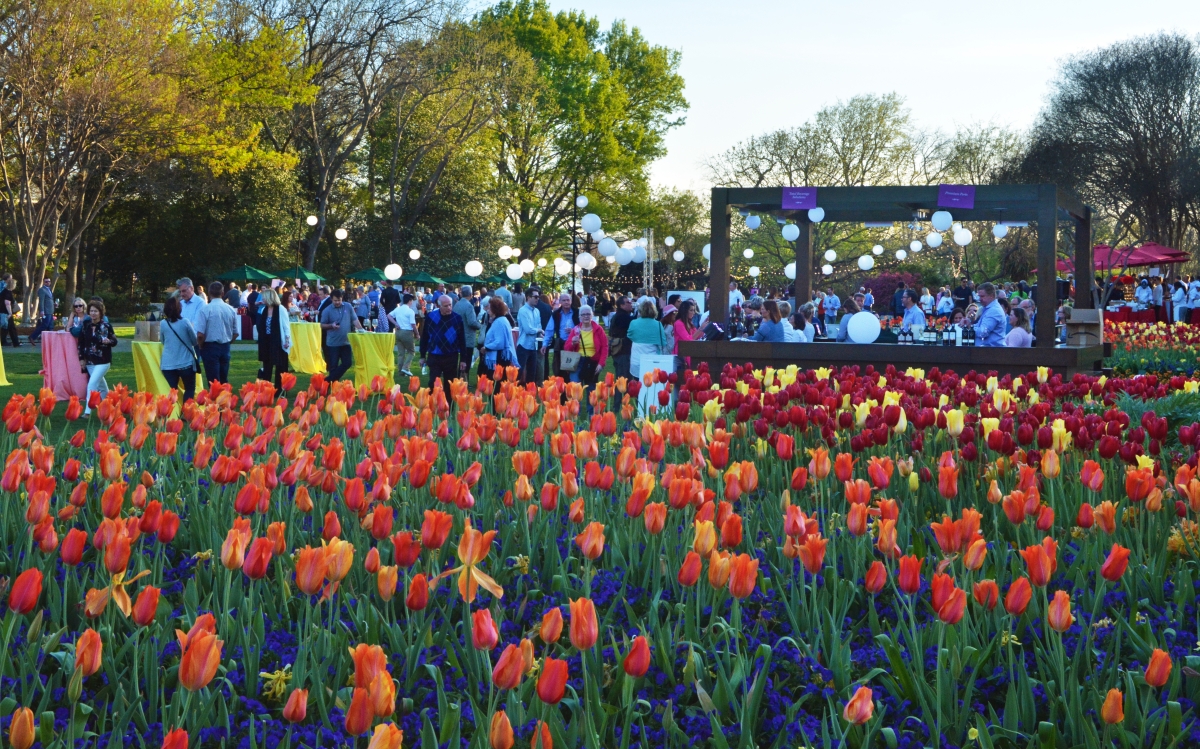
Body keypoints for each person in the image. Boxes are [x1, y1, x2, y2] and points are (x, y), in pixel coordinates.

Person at [76, 299, 116, 415]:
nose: (93, 313)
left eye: (96, 311)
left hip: (103, 360)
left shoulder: (106, 326)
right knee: (102, 386)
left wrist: (109, 341)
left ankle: (88, 411)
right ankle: (109, 406)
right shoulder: (86, 325)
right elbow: (81, 343)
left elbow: (114, 341)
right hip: (89, 361)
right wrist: (81, 359)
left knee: (92, 383)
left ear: (101, 313)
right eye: (91, 311)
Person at [419, 294, 467, 387]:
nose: (449, 308)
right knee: (433, 383)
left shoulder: (457, 318)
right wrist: (422, 356)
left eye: (450, 305)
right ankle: (433, 401)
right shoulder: (431, 317)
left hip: (451, 356)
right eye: (446, 306)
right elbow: (424, 337)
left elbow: (462, 339)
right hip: (434, 356)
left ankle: (448, 402)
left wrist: (463, 359)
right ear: (439, 306)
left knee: (450, 385)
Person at [196, 281, 238, 384]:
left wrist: (200, 346)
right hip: (225, 346)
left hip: (209, 346)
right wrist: (228, 342)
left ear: (209, 293)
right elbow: (236, 333)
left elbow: (200, 334)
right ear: (223, 293)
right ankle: (225, 399)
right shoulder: (231, 309)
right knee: (224, 379)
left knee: (213, 380)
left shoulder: (205, 310)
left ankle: (215, 399)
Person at [160, 296, 199, 403]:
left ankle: (169, 414)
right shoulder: (185, 322)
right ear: (179, 308)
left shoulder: (163, 323)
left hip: (168, 364)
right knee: (190, 389)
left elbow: (162, 341)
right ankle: (187, 413)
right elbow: (195, 341)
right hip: (185, 362)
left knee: (172, 392)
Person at [563, 305, 608, 394]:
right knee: (575, 389)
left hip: (592, 362)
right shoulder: (575, 330)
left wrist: (600, 363)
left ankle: (590, 408)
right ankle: (575, 407)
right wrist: (572, 343)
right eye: (583, 315)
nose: (586, 316)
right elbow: (566, 348)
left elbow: (605, 347)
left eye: (588, 314)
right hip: (577, 362)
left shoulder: (598, 329)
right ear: (580, 317)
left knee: (591, 390)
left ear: (592, 315)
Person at [319, 288, 363, 381]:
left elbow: (355, 319)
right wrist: (331, 325)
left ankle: (327, 380)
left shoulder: (348, 306)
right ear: (331, 299)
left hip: (345, 342)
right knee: (333, 366)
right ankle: (331, 386)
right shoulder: (327, 310)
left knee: (347, 363)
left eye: (339, 300)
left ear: (342, 298)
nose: (338, 302)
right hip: (333, 343)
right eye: (335, 300)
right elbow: (322, 325)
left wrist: (361, 330)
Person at [256, 288, 292, 389]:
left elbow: (286, 326)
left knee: (280, 365)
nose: (262, 299)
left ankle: (279, 387)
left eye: (264, 298)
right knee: (267, 364)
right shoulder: (264, 310)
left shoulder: (281, 309)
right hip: (266, 341)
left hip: (278, 341)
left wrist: (287, 340)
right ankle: (266, 387)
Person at [628, 300, 668, 379]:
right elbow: (663, 342)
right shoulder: (658, 324)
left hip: (636, 361)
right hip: (652, 361)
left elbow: (629, 335)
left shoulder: (633, 323)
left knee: (637, 387)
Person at [545, 293, 579, 379]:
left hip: (575, 344)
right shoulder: (556, 314)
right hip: (561, 344)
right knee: (559, 370)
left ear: (571, 301)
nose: (566, 302)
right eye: (564, 300)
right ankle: (562, 390)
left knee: (573, 369)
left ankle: (573, 389)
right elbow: (549, 330)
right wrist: (545, 344)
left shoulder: (577, 312)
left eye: (568, 300)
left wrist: (574, 331)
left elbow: (585, 327)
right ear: (560, 301)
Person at [482, 296, 518, 373]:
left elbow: (499, 343)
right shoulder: (502, 320)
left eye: (489, 308)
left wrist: (486, 348)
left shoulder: (499, 322)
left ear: (495, 309)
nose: (488, 311)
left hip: (498, 358)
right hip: (501, 357)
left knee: (496, 381)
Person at [516, 288, 544, 385]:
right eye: (535, 297)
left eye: (538, 297)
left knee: (532, 374)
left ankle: (529, 396)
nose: (538, 299)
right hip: (523, 345)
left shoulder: (537, 311)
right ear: (528, 297)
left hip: (533, 345)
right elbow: (528, 329)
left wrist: (541, 333)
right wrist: (539, 330)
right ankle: (513, 392)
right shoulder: (523, 311)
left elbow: (538, 326)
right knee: (518, 373)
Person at [453, 285, 482, 375]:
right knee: (466, 363)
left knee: (460, 363)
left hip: (457, 336)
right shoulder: (469, 306)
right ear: (470, 294)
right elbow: (472, 322)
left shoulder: (457, 304)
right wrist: (480, 326)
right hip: (467, 338)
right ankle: (463, 383)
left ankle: (458, 382)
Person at [390, 293, 418, 376]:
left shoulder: (398, 309)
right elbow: (413, 324)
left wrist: (396, 323)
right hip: (407, 332)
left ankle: (400, 371)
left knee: (401, 353)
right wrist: (417, 333)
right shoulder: (410, 311)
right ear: (410, 301)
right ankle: (406, 368)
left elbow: (389, 316)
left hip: (398, 332)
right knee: (411, 351)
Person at [970, 282, 1006, 346]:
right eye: (979, 296)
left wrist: (969, 327)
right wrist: (969, 324)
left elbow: (983, 332)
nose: (980, 299)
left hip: (992, 352)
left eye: (982, 296)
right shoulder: (988, 308)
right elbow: (979, 326)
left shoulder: (994, 311)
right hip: (988, 351)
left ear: (991, 296)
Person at [607, 295, 634, 382]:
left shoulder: (618, 315)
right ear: (621, 305)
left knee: (620, 376)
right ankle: (623, 395)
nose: (631, 304)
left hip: (617, 350)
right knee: (623, 378)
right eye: (628, 302)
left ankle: (621, 395)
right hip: (623, 350)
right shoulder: (623, 317)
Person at [673, 299, 699, 371]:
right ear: (685, 311)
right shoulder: (679, 323)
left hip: (689, 353)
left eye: (694, 310)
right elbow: (688, 339)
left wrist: (706, 328)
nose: (693, 312)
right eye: (691, 310)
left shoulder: (690, 323)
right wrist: (701, 329)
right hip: (680, 356)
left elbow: (698, 336)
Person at [29, 277, 55, 344]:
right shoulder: (42, 290)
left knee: (50, 326)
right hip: (46, 311)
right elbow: (41, 301)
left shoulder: (49, 289)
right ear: (43, 282)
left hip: (50, 310)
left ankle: (50, 341)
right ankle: (32, 336)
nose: (48, 282)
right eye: (46, 281)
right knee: (45, 325)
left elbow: (49, 300)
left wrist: (54, 304)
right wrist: (42, 311)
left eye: (49, 281)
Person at [0, 275, 19, 347]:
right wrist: (10, 313)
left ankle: (14, 342)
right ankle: (15, 342)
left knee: (8, 327)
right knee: (8, 327)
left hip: (3, 311)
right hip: (6, 312)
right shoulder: (8, 292)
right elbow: (7, 303)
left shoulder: (4, 291)